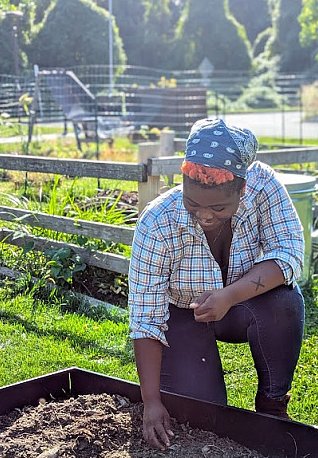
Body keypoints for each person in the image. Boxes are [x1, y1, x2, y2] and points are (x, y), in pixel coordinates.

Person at [128, 118, 305, 450]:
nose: (205, 216)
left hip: (241, 304)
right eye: (192, 203)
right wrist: (150, 402)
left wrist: (229, 296)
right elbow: (145, 318)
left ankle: (273, 404)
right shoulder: (156, 222)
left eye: (219, 207)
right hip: (182, 315)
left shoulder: (263, 185)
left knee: (284, 304)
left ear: (242, 189)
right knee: (206, 416)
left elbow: (289, 254)